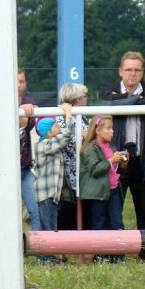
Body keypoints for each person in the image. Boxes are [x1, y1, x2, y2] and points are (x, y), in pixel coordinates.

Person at [102, 51, 145, 261]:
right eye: (128, 69)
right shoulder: (109, 92)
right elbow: (108, 104)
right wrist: (137, 101)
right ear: (120, 71)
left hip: (143, 160)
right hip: (116, 160)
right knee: (113, 210)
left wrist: (125, 102)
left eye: (137, 70)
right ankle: (112, 254)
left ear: (143, 72)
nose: (132, 74)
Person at [79, 115, 127, 262]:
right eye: (108, 128)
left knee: (117, 222)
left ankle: (118, 255)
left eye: (112, 128)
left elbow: (113, 170)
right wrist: (111, 161)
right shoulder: (90, 149)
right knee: (99, 224)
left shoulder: (110, 147)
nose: (112, 131)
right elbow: (95, 169)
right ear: (97, 130)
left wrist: (122, 163)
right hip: (97, 193)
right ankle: (101, 256)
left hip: (113, 189)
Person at [33, 106, 74, 262]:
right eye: (56, 126)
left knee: (51, 224)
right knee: (47, 226)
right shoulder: (44, 146)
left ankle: (50, 254)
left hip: (51, 194)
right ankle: (46, 256)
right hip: (46, 193)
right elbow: (67, 135)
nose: (59, 127)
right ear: (49, 132)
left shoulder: (50, 146)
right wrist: (68, 115)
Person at [55, 83, 89, 231]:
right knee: (67, 210)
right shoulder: (61, 117)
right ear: (77, 98)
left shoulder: (83, 117)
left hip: (81, 170)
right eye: (84, 96)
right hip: (67, 172)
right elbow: (69, 142)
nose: (86, 99)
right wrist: (85, 136)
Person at [17, 69, 41, 232]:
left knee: (35, 209)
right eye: (16, 81)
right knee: (7, 211)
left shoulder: (29, 102)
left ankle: (38, 245)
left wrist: (24, 109)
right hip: (5, 171)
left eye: (22, 82)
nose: (18, 85)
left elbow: (26, 124)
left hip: (24, 168)